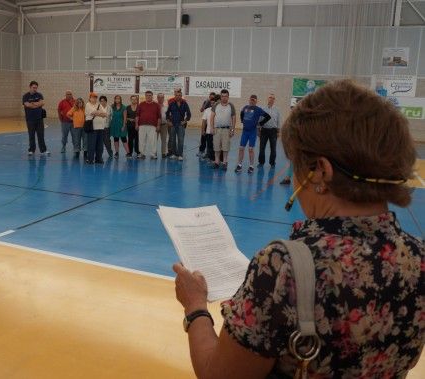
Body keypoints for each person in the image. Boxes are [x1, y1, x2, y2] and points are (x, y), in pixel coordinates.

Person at [172, 80, 424, 379]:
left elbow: (219, 374)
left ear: (320, 171)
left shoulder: (282, 266)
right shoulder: (417, 258)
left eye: (297, 165)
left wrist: (195, 306)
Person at [234, 95, 270, 174]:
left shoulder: (258, 109)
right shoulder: (245, 107)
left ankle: (251, 166)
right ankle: (239, 165)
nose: (252, 101)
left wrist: (260, 123)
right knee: (241, 148)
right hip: (245, 132)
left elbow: (268, 117)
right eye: (251, 100)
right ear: (249, 100)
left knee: (250, 149)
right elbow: (241, 113)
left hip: (252, 132)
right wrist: (242, 121)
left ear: (256, 101)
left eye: (254, 100)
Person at [210, 90, 236, 170]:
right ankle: (217, 162)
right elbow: (212, 117)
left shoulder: (231, 106)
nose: (224, 98)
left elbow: (234, 118)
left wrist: (232, 130)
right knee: (216, 147)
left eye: (226, 96)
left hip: (226, 130)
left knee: (225, 147)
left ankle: (224, 162)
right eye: (222, 96)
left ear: (228, 97)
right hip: (217, 129)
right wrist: (212, 128)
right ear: (220, 97)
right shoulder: (216, 105)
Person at [23, 81, 49, 156]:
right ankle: (31, 150)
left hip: (39, 119)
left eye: (36, 88)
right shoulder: (25, 96)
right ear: (30, 87)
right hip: (30, 119)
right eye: (33, 87)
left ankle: (43, 150)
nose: (35, 89)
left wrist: (33, 104)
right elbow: (27, 105)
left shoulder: (39, 95)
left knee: (41, 135)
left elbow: (42, 103)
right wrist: (37, 104)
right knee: (31, 135)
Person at [166, 89, 191, 161]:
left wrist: (185, 121)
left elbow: (189, 114)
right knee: (172, 140)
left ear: (181, 96)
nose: (178, 96)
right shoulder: (171, 104)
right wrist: (168, 122)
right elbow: (167, 114)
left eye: (179, 95)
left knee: (181, 140)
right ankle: (173, 154)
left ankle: (180, 155)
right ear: (175, 96)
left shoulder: (184, 104)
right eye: (176, 95)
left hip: (180, 125)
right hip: (173, 124)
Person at [258, 93, 282, 167]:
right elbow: (260, 120)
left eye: (273, 98)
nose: (271, 99)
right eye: (270, 97)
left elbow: (279, 121)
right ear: (267, 99)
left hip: (273, 131)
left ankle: (272, 163)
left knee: (273, 148)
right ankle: (261, 162)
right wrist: (258, 130)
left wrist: (278, 131)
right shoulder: (263, 109)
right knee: (262, 147)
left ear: (274, 100)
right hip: (264, 130)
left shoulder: (277, 109)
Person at [136, 91, 161, 159]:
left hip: (153, 125)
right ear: (145, 96)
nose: (148, 97)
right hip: (142, 125)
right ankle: (142, 153)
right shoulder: (141, 104)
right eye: (147, 95)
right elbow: (137, 115)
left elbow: (159, 117)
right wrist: (136, 124)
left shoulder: (156, 105)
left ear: (152, 96)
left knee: (153, 140)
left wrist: (158, 125)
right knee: (141, 140)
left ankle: (153, 154)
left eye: (150, 95)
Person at [85, 93, 107, 164]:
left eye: (95, 97)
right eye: (93, 97)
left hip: (100, 127)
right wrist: (100, 113)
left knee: (100, 145)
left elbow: (105, 114)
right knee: (91, 144)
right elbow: (92, 113)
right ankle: (90, 159)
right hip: (92, 128)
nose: (94, 98)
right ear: (90, 98)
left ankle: (98, 159)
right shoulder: (88, 105)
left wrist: (97, 113)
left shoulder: (99, 105)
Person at [201, 94, 218, 164]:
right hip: (208, 131)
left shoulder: (218, 111)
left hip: (217, 132)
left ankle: (216, 159)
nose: (212, 104)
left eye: (214, 103)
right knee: (209, 146)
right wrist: (202, 130)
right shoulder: (207, 110)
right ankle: (210, 158)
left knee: (216, 146)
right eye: (211, 103)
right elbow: (204, 121)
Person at [198, 92, 216, 158]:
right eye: (210, 97)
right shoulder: (206, 102)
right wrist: (206, 102)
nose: (211, 98)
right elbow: (201, 110)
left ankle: (209, 154)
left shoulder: (216, 105)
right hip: (206, 122)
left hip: (213, 125)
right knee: (203, 137)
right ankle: (201, 150)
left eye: (213, 97)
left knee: (211, 141)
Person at [156, 93, 169, 158]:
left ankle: (163, 153)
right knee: (154, 139)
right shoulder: (154, 106)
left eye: (162, 97)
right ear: (157, 98)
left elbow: (169, 115)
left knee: (164, 139)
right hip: (155, 125)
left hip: (164, 125)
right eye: (159, 97)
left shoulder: (166, 107)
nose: (160, 99)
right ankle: (154, 152)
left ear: (163, 98)